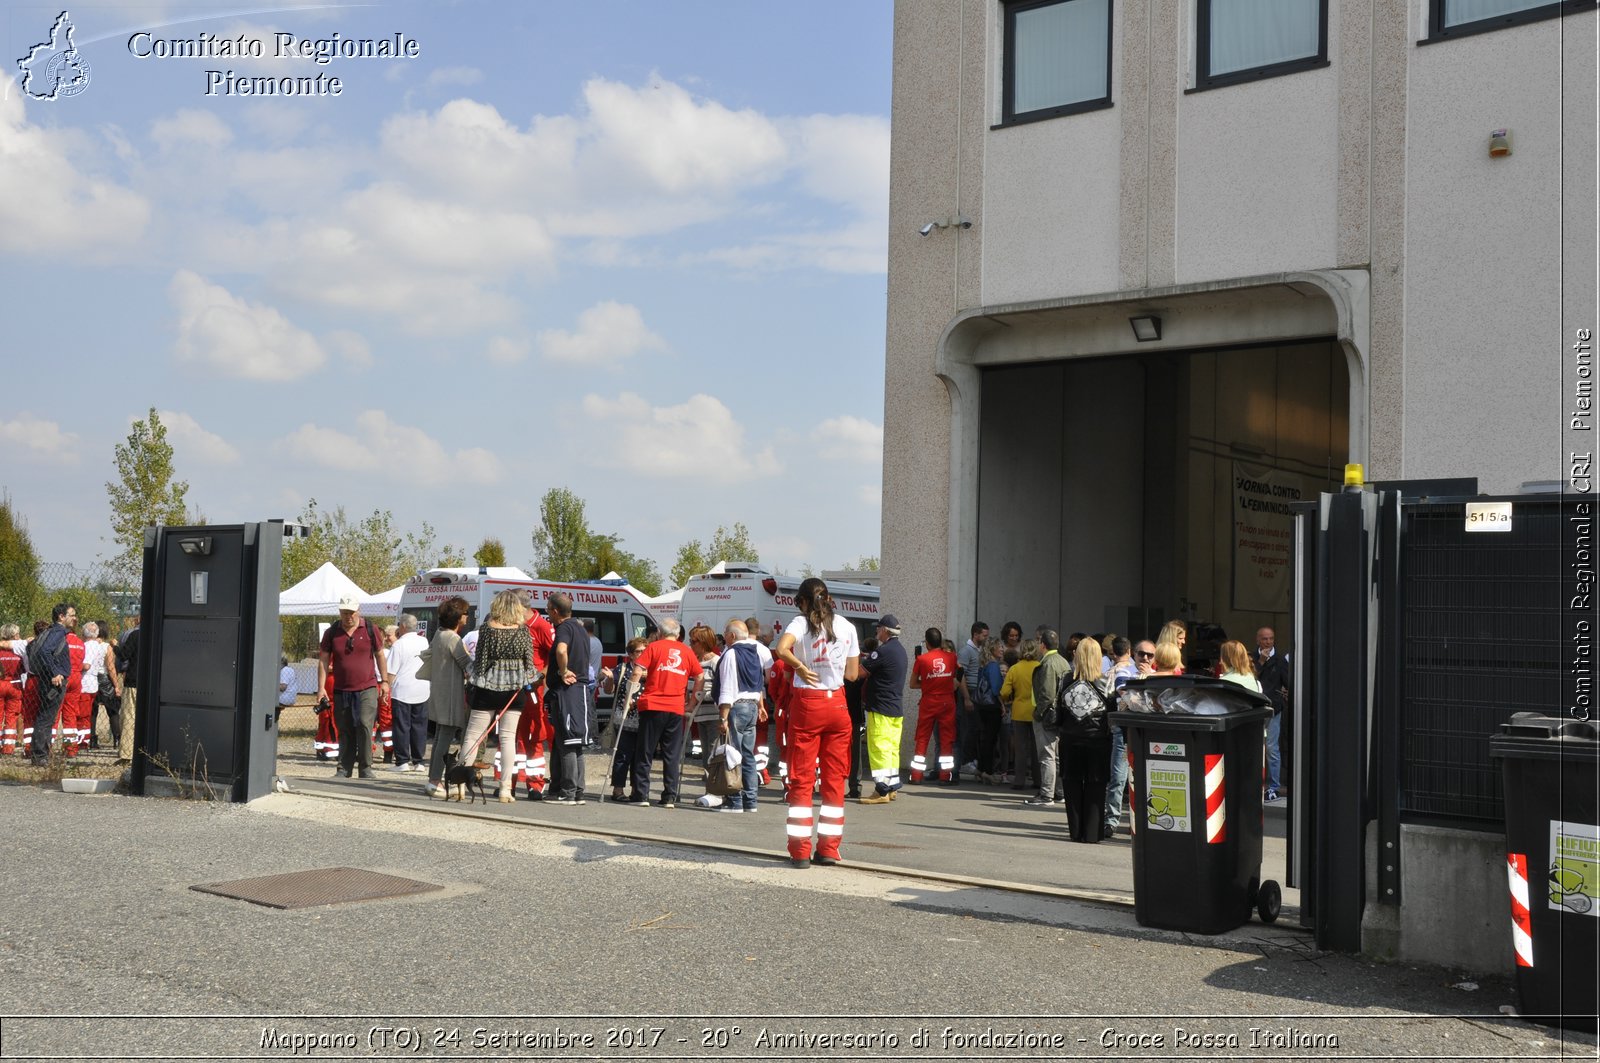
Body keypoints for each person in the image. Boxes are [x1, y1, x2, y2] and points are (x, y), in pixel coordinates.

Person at [773, 577, 859, 868]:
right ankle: (829, 849)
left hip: (808, 703)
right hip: (837, 703)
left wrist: (800, 666)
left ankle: (800, 852)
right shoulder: (847, 627)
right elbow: (852, 674)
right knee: (835, 780)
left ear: (803, 601)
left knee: (802, 777)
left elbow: (782, 649)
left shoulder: (800, 624)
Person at [462, 590, 535, 803]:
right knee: (508, 737)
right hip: (514, 690)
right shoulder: (523, 631)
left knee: (474, 735)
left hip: (487, 688)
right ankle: (505, 789)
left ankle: (462, 782)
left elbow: (481, 663)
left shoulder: (486, 629)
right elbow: (528, 665)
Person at [627, 619, 701, 808]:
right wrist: (691, 703)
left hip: (653, 705)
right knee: (672, 755)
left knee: (645, 752)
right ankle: (669, 796)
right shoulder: (687, 651)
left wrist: (630, 697)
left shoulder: (653, 647)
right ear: (677, 634)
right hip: (676, 708)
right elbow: (699, 676)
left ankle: (641, 795)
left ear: (659, 632)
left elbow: (637, 671)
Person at [318, 594, 389, 780]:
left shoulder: (370, 629)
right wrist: (321, 688)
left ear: (358, 611)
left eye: (351, 612)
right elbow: (323, 660)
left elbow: (380, 655)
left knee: (365, 725)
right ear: (340, 612)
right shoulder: (332, 632)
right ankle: (343, 769)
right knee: (345, 728)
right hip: (342, 690)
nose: (348, 616)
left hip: (367, 688)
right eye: (344, 612)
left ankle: (366, 768)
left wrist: (385, 682)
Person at [1057, 635, 1115, 843]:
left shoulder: (1065, 679)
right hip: (1098, 740)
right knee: (1096, 786)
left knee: (1071, 785)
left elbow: (1058, 712)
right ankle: (1092, 833)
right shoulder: (1107, 681)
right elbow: (1113, 711)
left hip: (1070, 739)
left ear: (1078, 655)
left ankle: (1075, 831)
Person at [714, 619, 773, 813]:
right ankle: (751, 801)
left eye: (725, 633)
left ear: (731, 636)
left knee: (733, 755)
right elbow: (760, 683)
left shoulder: (731, 653)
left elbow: (728, 687)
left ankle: (735, 801)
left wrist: (723, 717)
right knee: (748, 756)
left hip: (736, 708)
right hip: (752, 707)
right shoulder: (755, 652)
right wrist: (761, 705)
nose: (723, 636)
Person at [422, 596, 473, 797]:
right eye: (465, 613)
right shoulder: (452, 638)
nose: (467, 617)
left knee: (439, 738)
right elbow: (467, 664)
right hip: (450, 694)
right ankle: (435, 781)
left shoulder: (439, 634)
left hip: (439, 692)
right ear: (458, 616)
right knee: (444, 738)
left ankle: (433, 779)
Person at [545, 592, 591, 804]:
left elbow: (561, 650)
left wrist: (563, 671)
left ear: (555, 611)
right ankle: (578, 791)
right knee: (576, 743)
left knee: (567, 742)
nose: (547, 613)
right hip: (579, 691)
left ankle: (568, 792)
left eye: (548, 609)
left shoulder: (564, 628)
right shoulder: (580, 628)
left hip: (568, 691)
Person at [858, 614, 909, 804]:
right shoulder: (900, 650)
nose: (876, 631)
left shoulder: (883, 651)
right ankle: (892, 787)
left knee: (879, 748)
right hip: (896, 708)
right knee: (892, 749)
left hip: (881, 708)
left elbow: (860, 673)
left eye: (878, 628)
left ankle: (881, 791)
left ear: (885, 630)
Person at [910, 626, 966, 783]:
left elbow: (913, 684)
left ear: (927, 643)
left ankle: (916, 776)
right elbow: (961, 671)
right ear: (940, 642)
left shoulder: (921, 660)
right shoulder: (952, 657)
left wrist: (929, 683)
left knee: (922, 738)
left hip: (928, 701)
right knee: (947, 739)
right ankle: (945, 776)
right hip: (947, 701)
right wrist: (953, 684)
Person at [27, 604, 76, 765]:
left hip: (49, 679)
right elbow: (44, 651)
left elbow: (34, 648)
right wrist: (55, 672)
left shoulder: (52, 631)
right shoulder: (58, 631)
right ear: (61, 617)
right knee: (46, 718)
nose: (74, 618)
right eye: (72, 615)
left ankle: (42, 754)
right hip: (53, 682)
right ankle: (40, 755)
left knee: (46, 717)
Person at [1027, 629, 1070, 807]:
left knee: (1047, 755)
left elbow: (1045, 694)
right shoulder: (1063, 662)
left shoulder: (1047, 663)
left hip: (1047, 716)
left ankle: (1046, 795)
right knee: (1056, 755)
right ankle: (1058, 792)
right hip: (1060, 714)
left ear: (1042, 645)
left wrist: (1038, 713)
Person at [385, 613, 431, 773]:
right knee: (419, 726)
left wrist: (386, 688)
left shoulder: (399, 645)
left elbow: (391, 670)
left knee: (401, 726)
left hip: (403, 690)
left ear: (403, 626)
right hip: (423, 687)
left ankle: (402, 761)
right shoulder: (424, 641)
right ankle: (419, 762)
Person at [604, 637, 648, 802]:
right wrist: (609, 678)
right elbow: (609, 690)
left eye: (644, 651)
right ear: (630, 654)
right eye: (638, 651)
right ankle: (618, 789)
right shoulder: (623, 668)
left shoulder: (651, 670)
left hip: (644, 719)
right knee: (622, 754)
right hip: (624, 719)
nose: (642, 654)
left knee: (640, 756)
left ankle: (637, 790)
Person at [1104, 636, 1140, 834]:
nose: (1145, 658)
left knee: (1126, 777)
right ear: (1131, 651)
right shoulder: (1121, 672)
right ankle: (1112, 821)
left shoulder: (1113, 670)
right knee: (1119, 775)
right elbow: (1121, 691)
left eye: (1149, 655)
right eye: (1141, 654)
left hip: (1132, 726)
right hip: (1122, 726)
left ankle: (1131, 820)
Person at [1000, 639, 1041, 795]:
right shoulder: (1039, 666)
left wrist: (1009, 698)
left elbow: (1004, 692)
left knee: (1020, 748)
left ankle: (1019, 780)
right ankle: (1038, 780)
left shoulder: (1015, 669)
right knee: (1036, 748)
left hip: (1019, 711)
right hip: (1036, 711)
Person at [1256, 627, 1291, 802]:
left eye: (1270, 638)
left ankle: (1273, 786)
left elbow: (1289, 681)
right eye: (1264, 639)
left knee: (1271, 749)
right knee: (1255, 748)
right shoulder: (1252, 658)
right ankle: (1256, 784)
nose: (1268, 642)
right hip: (1255, 710)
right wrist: (1261, 662)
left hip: (1274, 709)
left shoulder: (1279, 660)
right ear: (1258, 640)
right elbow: (1251, 678)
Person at [955, 621, 988, 776]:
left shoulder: (979, 650)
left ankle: (970, 759)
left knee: (975, 728)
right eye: (984, 635)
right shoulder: (966, 651)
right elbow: (961, 676)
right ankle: (965, 762)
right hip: (969, 693)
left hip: (976, 694)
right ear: (975, 634)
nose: (985, 638)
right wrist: (967, 697)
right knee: (968, 728)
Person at [972, 637, 1005, 783]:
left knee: (984, 738)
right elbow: (997, 688)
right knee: (991, 740)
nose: (1002, 650)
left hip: (982, 706)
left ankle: (980, 768)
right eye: (1000, 647)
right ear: (993, 649)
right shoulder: (993, 666)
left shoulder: (983, 665)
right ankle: (988, 771)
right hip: (992, 706)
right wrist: (1002, 705)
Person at [115, 612, 141, 763]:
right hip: (153, 683)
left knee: (129, 717)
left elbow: (124, 655)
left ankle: (126, 754)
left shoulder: (135, 635)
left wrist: (115, 647)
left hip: (133, 680)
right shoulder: (160, 634)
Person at [0, 625, 23, 755]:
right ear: (14, 636)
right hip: (15, 684)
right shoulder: (18, 650)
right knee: (11, 716)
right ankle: (8, 747)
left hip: (1, 683)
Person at [277, 655, 299, 720]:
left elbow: (283, 687)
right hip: (290, 697)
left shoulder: (284, 671)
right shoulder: (290, 669)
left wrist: (271, 686)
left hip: (284, 698)